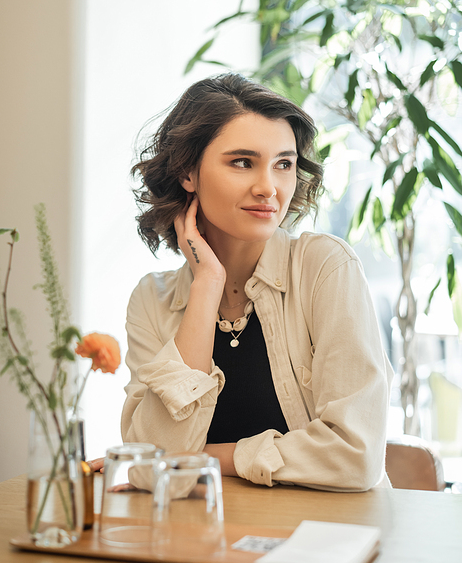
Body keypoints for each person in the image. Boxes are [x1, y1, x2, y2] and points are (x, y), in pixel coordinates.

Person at [120, 73, 393, 491]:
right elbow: (153, 472)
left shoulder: (325, 268)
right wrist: (208, 284)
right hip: (201, 543)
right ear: (187, 172)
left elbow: (355, 457)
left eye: (283, 164)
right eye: (243, 162)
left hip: (330, 541)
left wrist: (205, 458)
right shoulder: (151, 301)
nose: (269, 188)